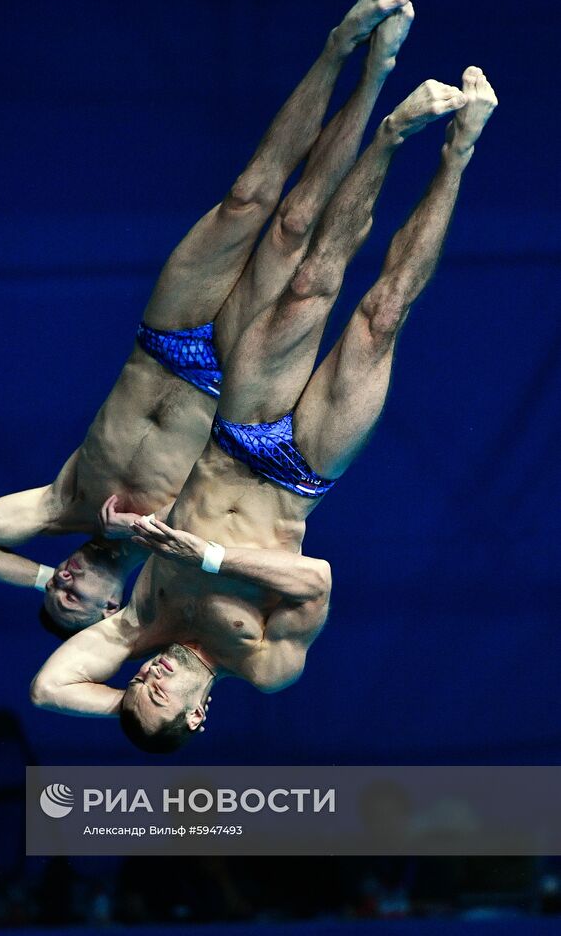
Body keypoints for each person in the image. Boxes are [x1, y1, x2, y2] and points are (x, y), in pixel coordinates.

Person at [30, 66, 498, 751]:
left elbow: (47, 690)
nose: (147, 680)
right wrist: (211, 558)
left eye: (134, 685)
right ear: (198, 716)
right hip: (300, 474)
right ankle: (458, 149)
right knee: (383, 314)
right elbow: (315, 579)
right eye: (157, 698)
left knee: (311, 279)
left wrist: (126, 710)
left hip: (238, 435)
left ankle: (391, 135)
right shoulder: (264, 666)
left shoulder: (140, 622)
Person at [0, 0, 413, 633]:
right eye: (72, 599)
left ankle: (339, 44)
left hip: (164, 341)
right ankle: (374, 79)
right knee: (295, 225)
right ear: (110, 607)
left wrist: (43, 578)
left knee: (247, 196)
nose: (68, 581)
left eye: (58, 584)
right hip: (224, 372)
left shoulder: (63, 504)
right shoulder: (175, 548)